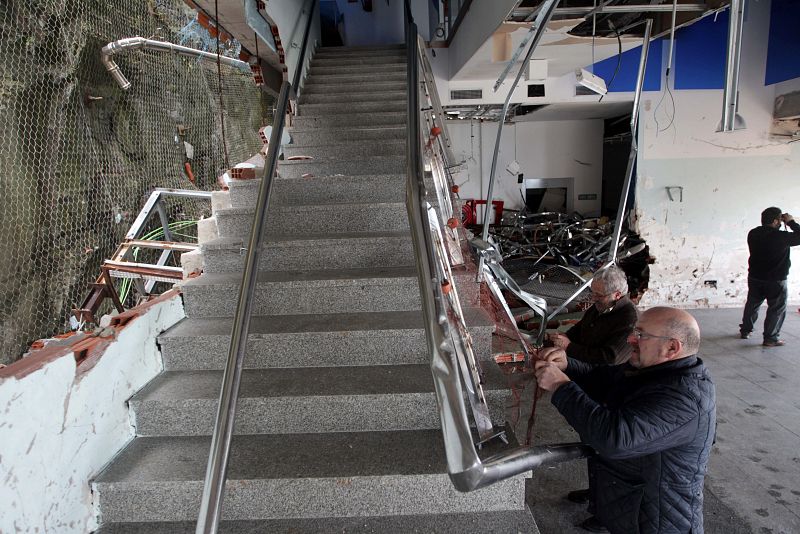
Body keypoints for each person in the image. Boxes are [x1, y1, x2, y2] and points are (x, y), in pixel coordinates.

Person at [535, 307, 716, 534]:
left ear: (672, 347)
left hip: (658, 519)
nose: (630, 339)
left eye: (641, 335)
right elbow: (602, 378)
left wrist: (560, 386)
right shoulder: (653, 369)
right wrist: (568, 366)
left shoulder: (684, 400)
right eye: (634, 332)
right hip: (630, 500)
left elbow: (614, 439)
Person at [548, 265, 638, 366]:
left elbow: (611, 358)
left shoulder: (630, 318)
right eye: (593, 293)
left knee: (548, 365)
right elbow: (581, 327)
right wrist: (564, 337)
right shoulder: (603, 304)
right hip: (580, 357)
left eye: (599, 295)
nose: (593, 299)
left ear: (617, 295)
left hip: (597, 370)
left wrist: (569, 347)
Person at [740, 207, 800, 347]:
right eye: (779, 219)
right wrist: (791, 222)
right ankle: (770, 338)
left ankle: (745, 330)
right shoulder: (781, 236)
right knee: (776, 309)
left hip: (755, 276)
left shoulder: (753, 233)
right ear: (775, 221)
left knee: (752, 304)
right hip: (776, 279)